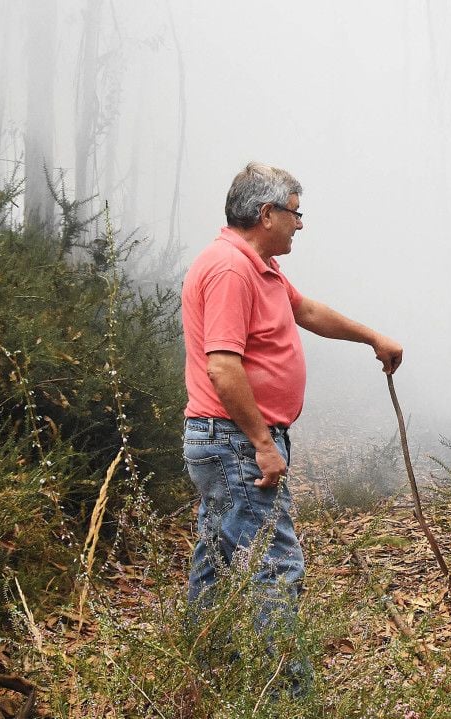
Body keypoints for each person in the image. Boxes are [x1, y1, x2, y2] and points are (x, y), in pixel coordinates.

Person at [180, 162, 403, 619]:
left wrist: (372, 337)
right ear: (266, 214)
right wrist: (262, 443)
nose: (300, 224)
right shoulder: (230, 270)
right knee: (275, 566)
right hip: (234, 439)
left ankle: (201, 670)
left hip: (229, 438)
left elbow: (307, 311)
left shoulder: (260, 266)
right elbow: (222, 366)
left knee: (217, 561)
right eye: (294, 213)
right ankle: (284, 688)